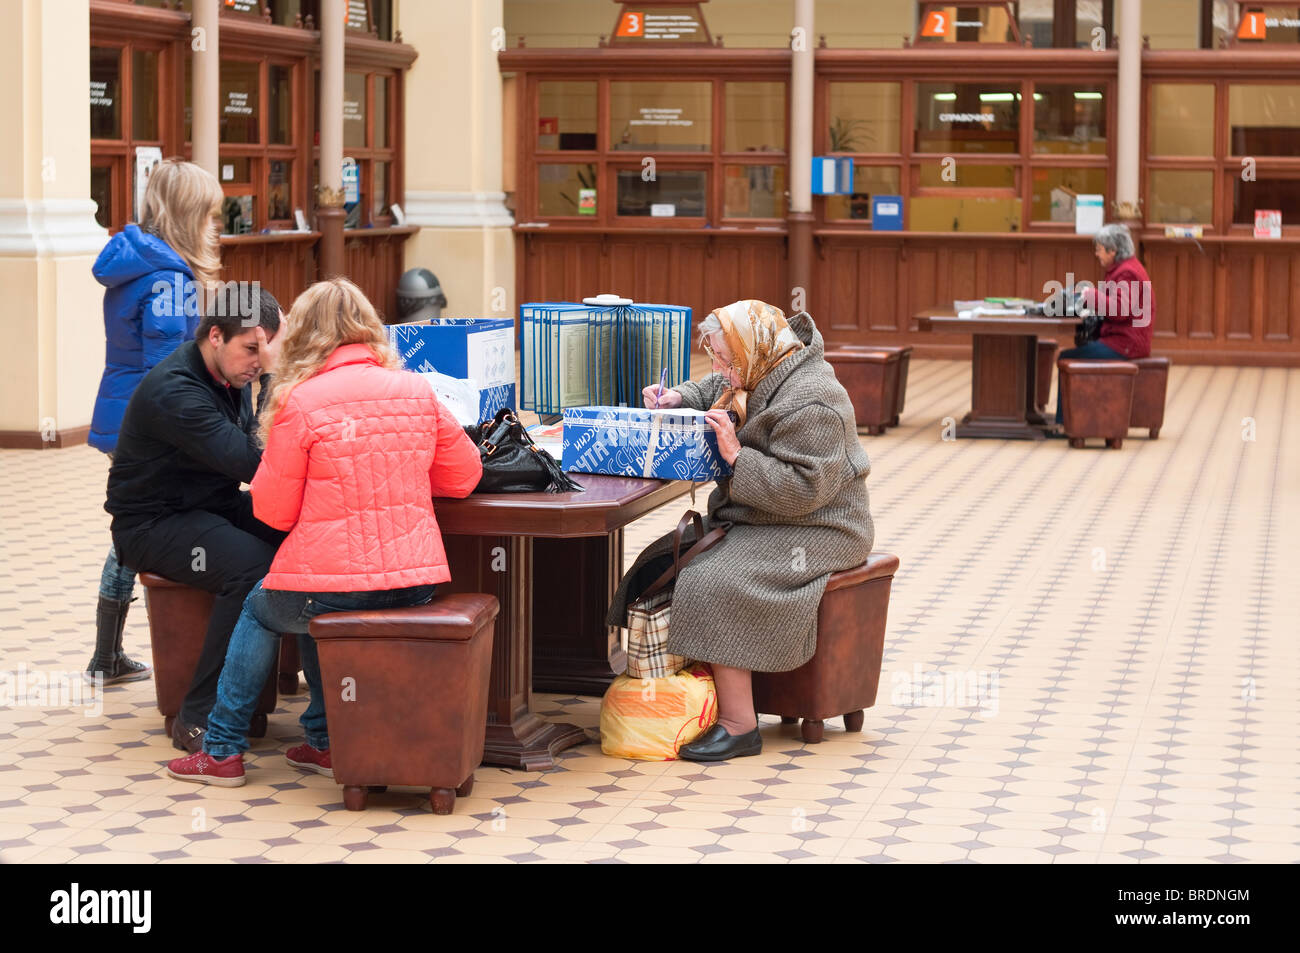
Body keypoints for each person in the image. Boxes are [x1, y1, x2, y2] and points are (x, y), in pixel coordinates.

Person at [165, 278, 483, 786]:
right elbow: (464, 476)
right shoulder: (416, 390)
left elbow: (272, 511)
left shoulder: (303, 402)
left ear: (303, 335)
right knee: (310, 594)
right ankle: (324, 741)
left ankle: (221, 748)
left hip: (336, 584)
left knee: (267, 607)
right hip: (416, 582)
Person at [608, 300, 875, 762]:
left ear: (752, 353)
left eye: (724, 359)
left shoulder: (813, 401)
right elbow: (719, 384)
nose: (719, 369)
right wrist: (681, 399)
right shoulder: (767, 364)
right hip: (765, 516)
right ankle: (674, 690)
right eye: (714, 356)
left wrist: (737, 458)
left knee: (716, 580)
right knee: (661, 560)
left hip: (820, 527)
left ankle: (739, 725)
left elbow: (803, 491)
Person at [108, 290, 286, 753]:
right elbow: (252, 463)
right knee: (251, 567)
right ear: (214, 335)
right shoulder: (177, 390)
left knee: (301, 532)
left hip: (211, 506)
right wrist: (273, 377)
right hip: (152, 523)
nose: (257, 361)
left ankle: (284, 686)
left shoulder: (227, 375)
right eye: (251, 349)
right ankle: (199, 715)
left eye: (264, 349)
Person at [86, 158, 224, 685]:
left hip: (122, 411)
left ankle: (108, 653)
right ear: (190, 214)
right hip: (149, 423)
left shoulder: (138, 263)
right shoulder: (168, 276)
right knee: (138, 530)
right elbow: (163, 370)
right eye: (209, 214)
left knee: (131, 527)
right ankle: (111, 654)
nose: (215, 224)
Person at [1054, 222, 1155, 427]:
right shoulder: (1124, 269)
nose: (1096, 254)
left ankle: (1066, 423)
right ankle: (1075, 417)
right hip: (1122, 340)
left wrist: (1091, 296)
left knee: (1067, 357)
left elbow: (1121, 310)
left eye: (1099, 250)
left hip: (1126, 344)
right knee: (1078, 352)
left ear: (1113, 251)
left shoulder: (1128, 273)